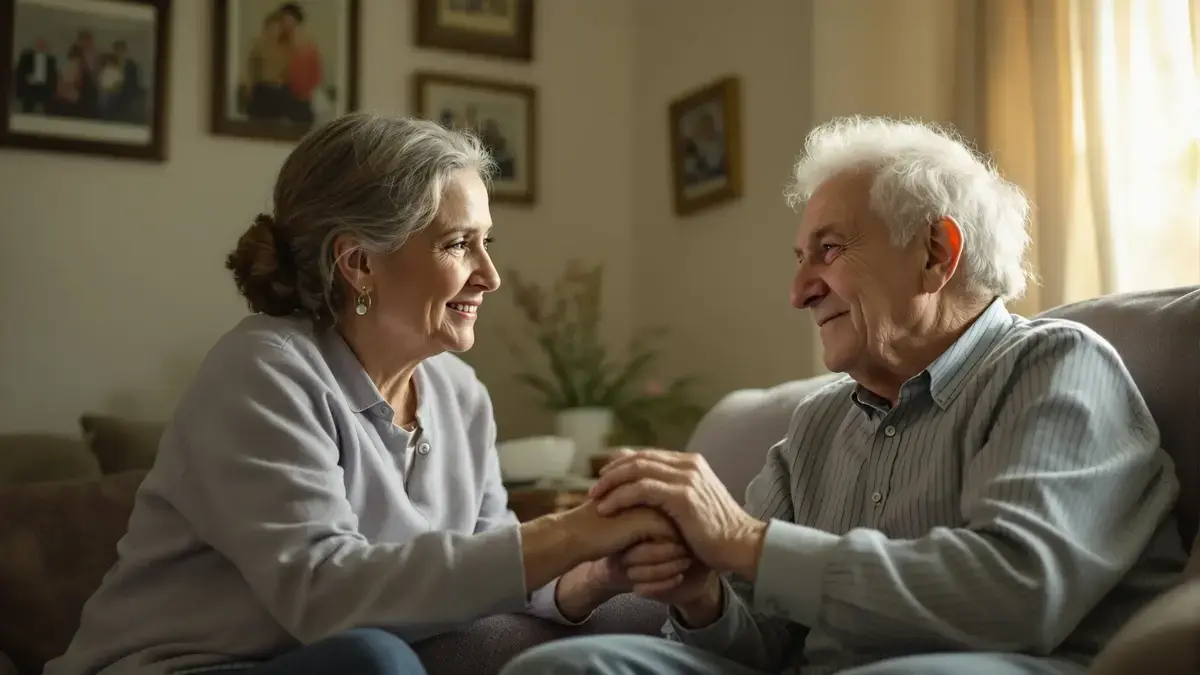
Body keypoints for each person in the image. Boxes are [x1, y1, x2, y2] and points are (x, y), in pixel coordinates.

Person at [500, 116, 1189, 675]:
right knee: (571, 666)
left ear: (935, 253)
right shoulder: (817, 425)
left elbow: (1018, 594)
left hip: (1012, 662)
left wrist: (744, 540)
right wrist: (702, 596)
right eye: (799, 261)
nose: (798, 291)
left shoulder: (1056, 366)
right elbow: (759, 647)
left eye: (827, 251)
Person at [44, 114, 693, 675]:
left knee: (639, 613)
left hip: (369, 653)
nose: (490, 276)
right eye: (459, 243)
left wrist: (592, 571)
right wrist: (566, 529)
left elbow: (494, 576)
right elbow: (326, 598)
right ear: (357, 263)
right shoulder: (264, 372)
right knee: (373, 662)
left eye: (485, 243)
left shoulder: (459, 393)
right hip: (192, 666)